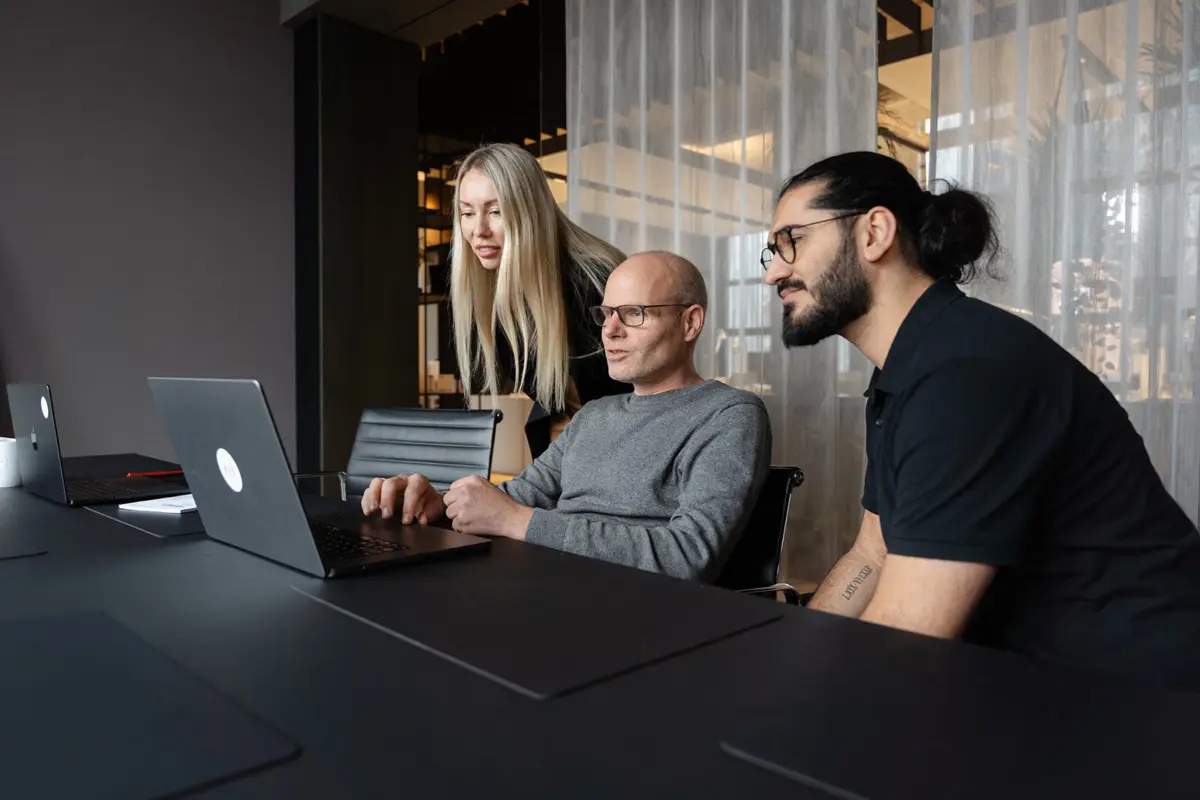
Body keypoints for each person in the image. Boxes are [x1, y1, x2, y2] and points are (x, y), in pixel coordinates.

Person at [764, 150, 1200, 691]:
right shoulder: (910, 366)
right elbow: (873, 553)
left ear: (874, 233)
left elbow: (905, 642)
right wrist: (796, 656)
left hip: (1135, 698)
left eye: (791, 241)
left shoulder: (966, 371)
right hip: (1025, 678)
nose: (774, 272)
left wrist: (792, 702)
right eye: (771, 252)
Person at [363, 251, 772, 582]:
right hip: (540, 583)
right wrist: (438, 506)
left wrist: (519, 522)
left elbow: (687, 557)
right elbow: (514, 500)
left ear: (690, 323)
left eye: (633, 313)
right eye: (606, 313)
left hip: (629, 609)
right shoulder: (594, 415)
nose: (610, 330)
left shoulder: (729, 414)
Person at [450, 142, 629, 458]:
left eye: (496, 211)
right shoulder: (499, 293)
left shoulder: (597, 281)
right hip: (567, 459)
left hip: (625, 454)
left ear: (529, 210)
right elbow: (552, 406)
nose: (479, 230)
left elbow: (631, 400)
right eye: (467, 213)